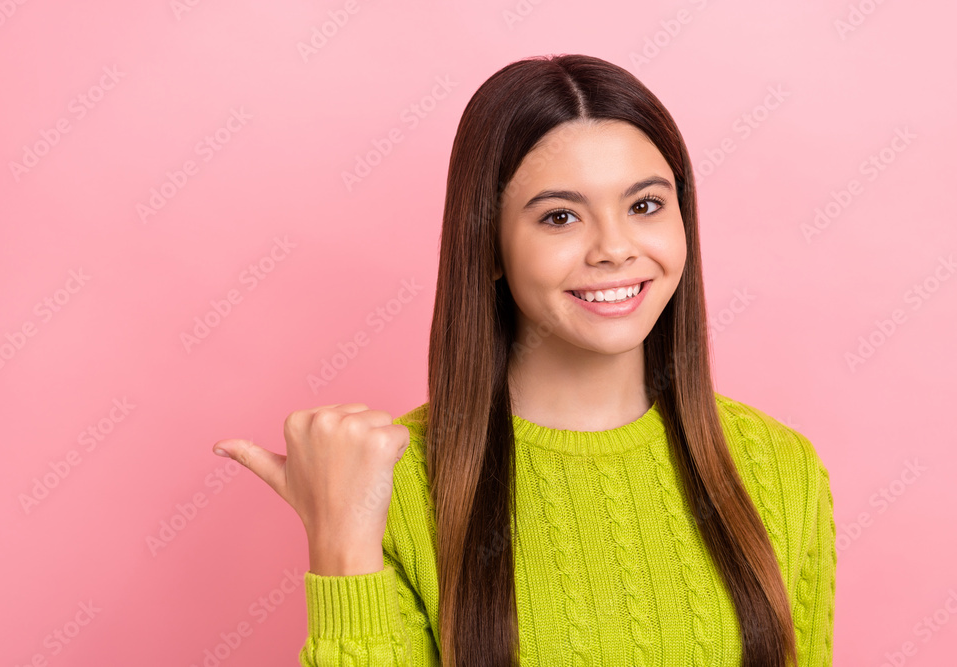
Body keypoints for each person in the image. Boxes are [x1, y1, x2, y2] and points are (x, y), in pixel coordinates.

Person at [212, 53, 836, 667]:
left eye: (645, 205)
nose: (615, 248)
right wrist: (341, 541)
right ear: (487, 246)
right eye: (561, 217)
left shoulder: (779, 468)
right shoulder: (391, 483)